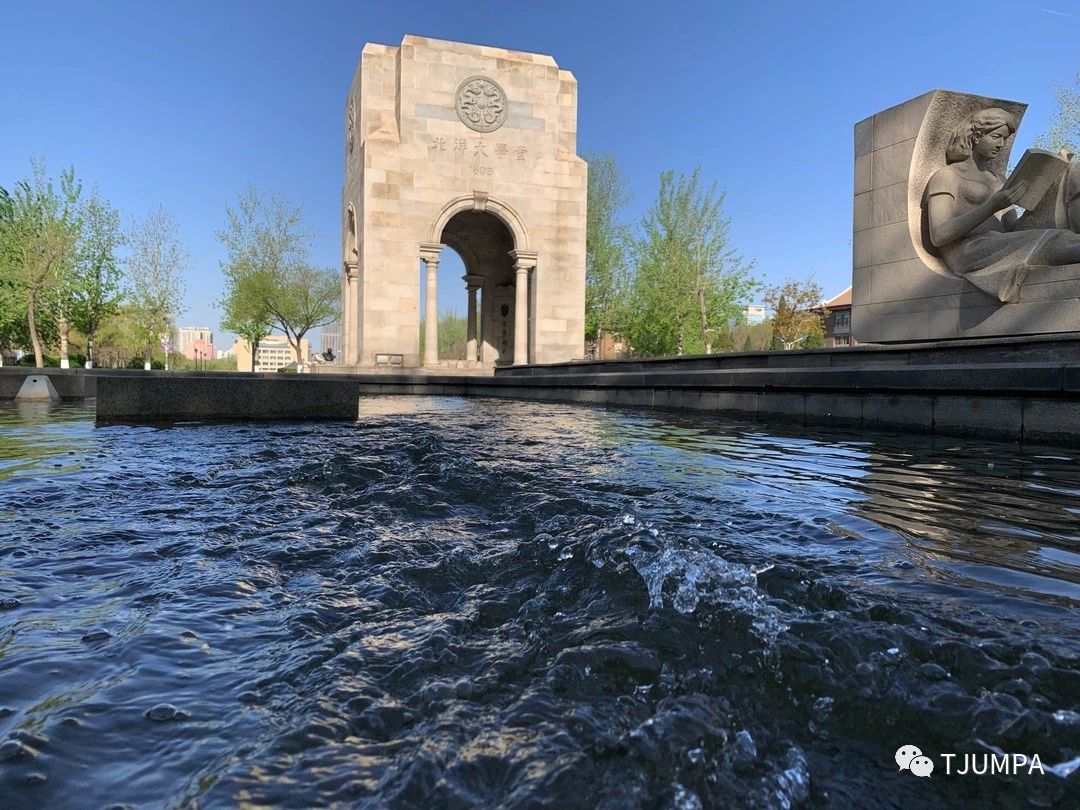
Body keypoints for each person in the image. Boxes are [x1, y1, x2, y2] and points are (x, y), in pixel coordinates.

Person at [926, 108, 1080, 302]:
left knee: (1071, 174)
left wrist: (1046, 188)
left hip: (1000, 243)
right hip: (968, 251)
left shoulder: (998, 179)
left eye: (1005, 139)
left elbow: (1012, 228)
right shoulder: (947, 176)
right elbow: (939, 235)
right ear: (976, 137)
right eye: (996, 137)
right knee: (1055, 240)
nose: (1001, 144)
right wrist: (991, 206)